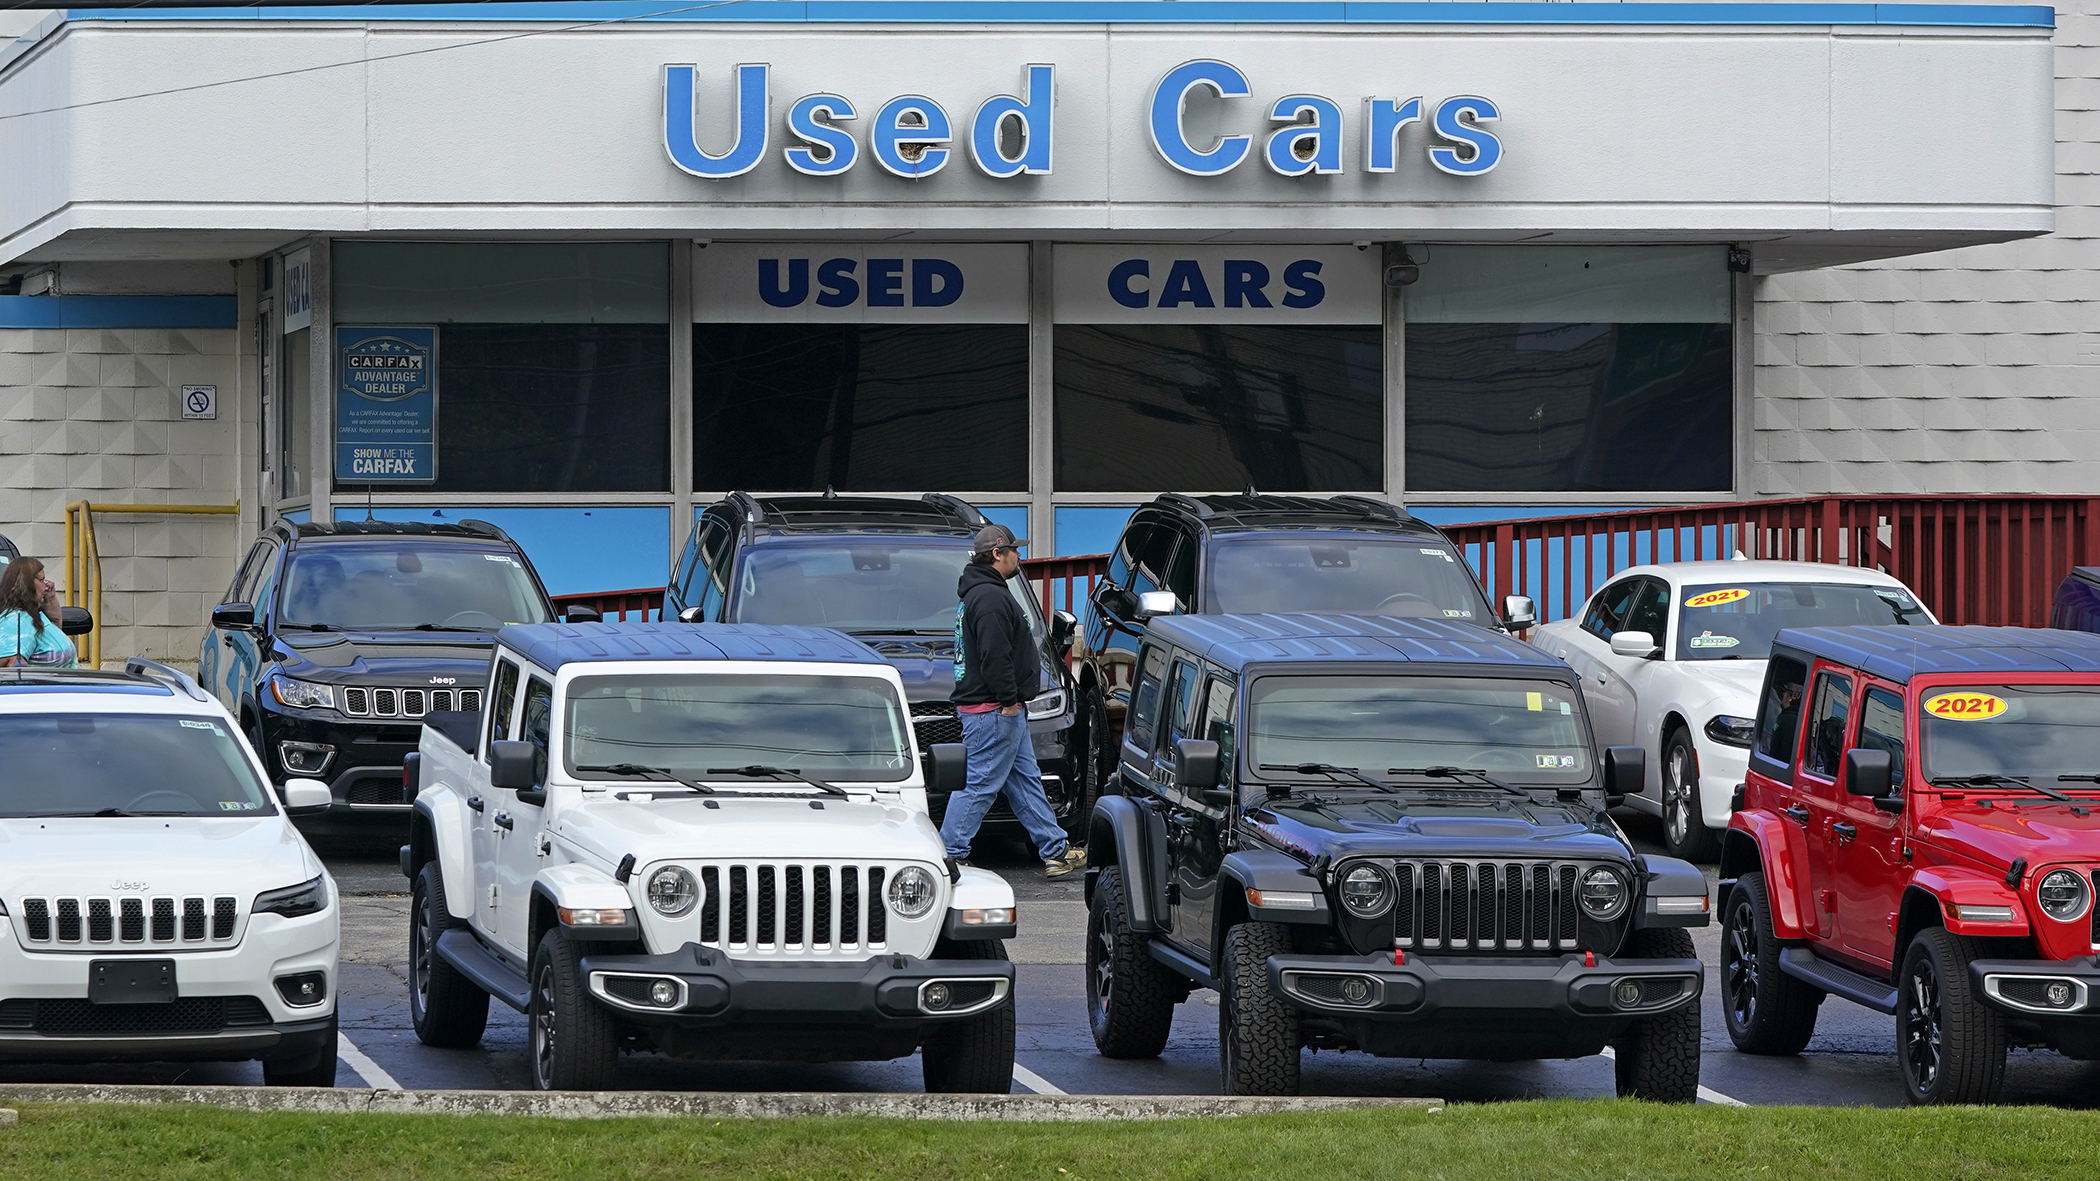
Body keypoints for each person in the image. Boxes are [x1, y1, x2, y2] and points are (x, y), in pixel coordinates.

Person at [941, 523, 1086, 879]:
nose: (1019, 556)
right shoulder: (989, 598)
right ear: (997, 553)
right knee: (979, 784)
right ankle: (949, 857)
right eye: (1014, 550)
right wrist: (1007, 701)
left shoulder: (982, 592)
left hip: (1003, 710)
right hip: (994, 711)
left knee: (1025, 781)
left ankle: (1055, 850)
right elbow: (994, 656)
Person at [0, 557, 78, 669]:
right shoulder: (16, 620)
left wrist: (50, 600)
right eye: (41, 580)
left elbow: (50, 641)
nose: (46, 586)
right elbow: (12, 665)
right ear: (27, 584)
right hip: (43, 682)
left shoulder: (31, 617)